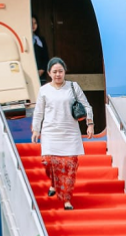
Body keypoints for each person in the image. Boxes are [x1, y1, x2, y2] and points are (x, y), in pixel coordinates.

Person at [31, 57, 94, 211]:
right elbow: (39, 111)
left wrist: (90, 124)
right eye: (54, 72)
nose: (58, 74)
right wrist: (36, 129)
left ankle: (66, 199)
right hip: (50, 132)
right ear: (49, 73)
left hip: (70, 132)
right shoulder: (44, 90)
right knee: (47, 162)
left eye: (60, 71)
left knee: (70, 168)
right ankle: (54, 182)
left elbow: (87, 106)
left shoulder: (73, 86)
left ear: (65, 72)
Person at [32, 17, 50, 83]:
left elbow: (45, 56)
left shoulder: (40, 39)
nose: (33, 26)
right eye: (31, 23)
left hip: (40, 74)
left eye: (35, 23)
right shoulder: (24, 40)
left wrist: (42, 69)